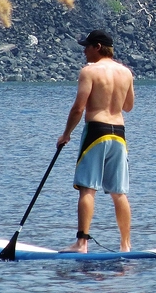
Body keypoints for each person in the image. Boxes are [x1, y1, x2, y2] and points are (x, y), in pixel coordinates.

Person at [57, 29, 135, 253]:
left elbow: (78, 108)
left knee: (87, 189)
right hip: (118, 133)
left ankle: (82, 243)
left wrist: (66, 134)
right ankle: (126, 245)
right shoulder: (126, 73)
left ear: (98, 47)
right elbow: (128, 107)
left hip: (96, 132)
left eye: (87, 46)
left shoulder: (89, 72)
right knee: (118, 192)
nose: (84, 51)